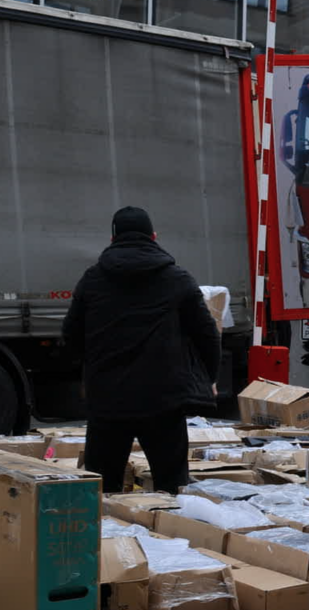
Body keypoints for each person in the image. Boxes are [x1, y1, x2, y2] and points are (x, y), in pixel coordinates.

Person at [63, 207, 220, 494]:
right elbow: (207, 333)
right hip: (163, 399)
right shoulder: (177, 278)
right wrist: (209, 377)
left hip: (108, 400)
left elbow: (70, 335)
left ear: (112, 239)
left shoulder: (93, 279)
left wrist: (90, 371)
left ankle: (107, 538)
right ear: (154, 236)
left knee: (103, 489)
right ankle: (170, 534)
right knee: (171, 486)